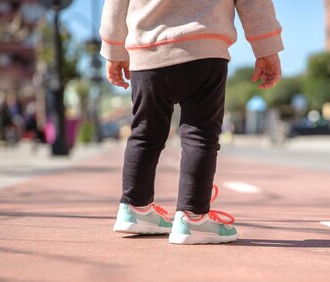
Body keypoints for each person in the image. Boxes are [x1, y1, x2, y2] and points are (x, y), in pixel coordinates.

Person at [100, 0, 283, 244]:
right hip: (204, 48)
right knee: (200, 134)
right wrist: (266, 48)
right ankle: (193, 217)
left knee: (144, 133)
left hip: (148, 52)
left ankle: (134, 208)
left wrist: (114, 51)